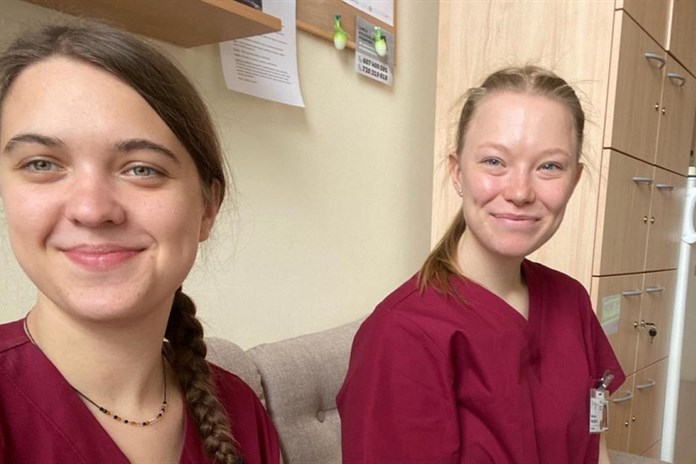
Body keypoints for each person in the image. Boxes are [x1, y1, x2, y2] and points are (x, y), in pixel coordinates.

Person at [0, 23, 280, 464]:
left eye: (142, 169)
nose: (92, 209)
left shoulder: (241, 412)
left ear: (207, 208)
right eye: (42, 164)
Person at [337, 66, 625, 464]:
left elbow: (595, 442)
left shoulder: (571, 300)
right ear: (458, 172)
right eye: (494, 161)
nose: (520, 192)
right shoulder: (401, 335)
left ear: (574, 181)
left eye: (549, 167)